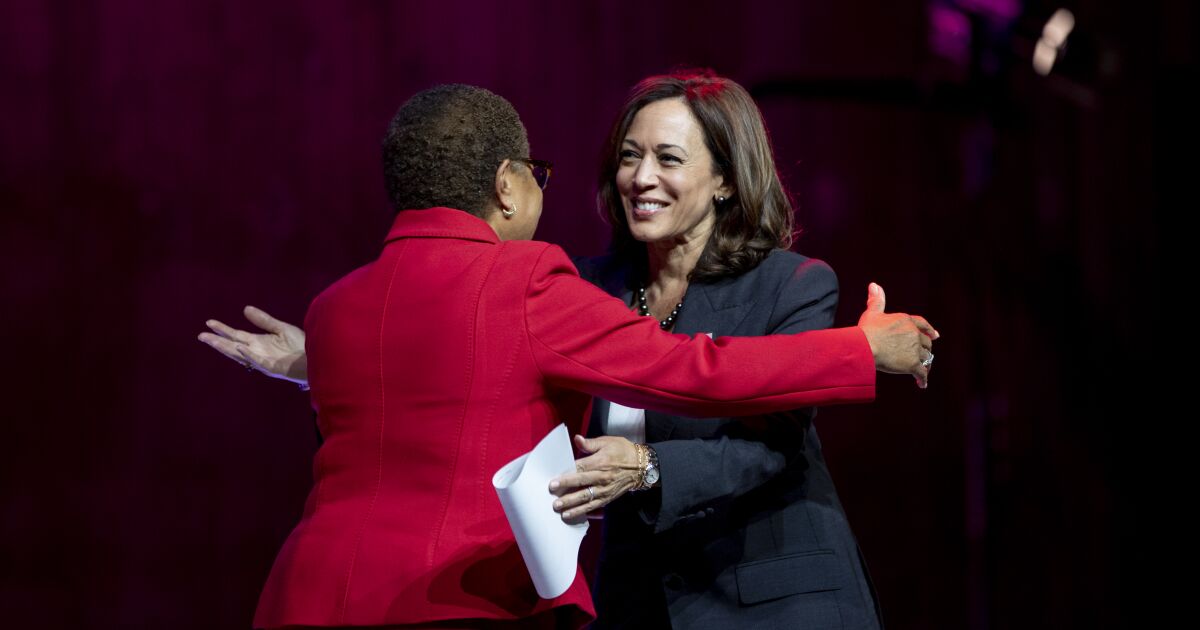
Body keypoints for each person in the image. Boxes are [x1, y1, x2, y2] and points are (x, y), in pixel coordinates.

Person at [200, 83, 936, 629]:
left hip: (304, 596)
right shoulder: (548, 280)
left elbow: (759, 437)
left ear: (724, 178)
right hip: (461, 600)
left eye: (668, 158)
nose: (639, 176)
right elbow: (693, 370)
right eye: (626, 157)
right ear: (505, 183)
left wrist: (316, 359)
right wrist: (860, 351)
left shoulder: (336, 305)